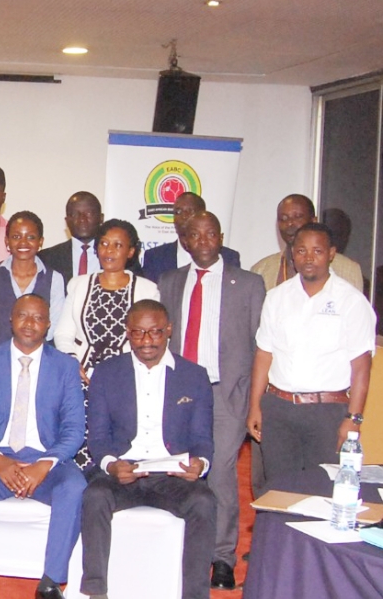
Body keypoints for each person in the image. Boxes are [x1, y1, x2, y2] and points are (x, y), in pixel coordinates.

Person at [79, 300, 216, 599]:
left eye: (154, 332)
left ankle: (195, 595)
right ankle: (96, 591)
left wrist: (200, 464)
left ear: (168, 331)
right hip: (123, 472)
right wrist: (112, 465)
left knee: (204, 503)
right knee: (94, 495)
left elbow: (203, 438)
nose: (146, 341)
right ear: (127, 334)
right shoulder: (107, 373)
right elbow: (98, 438)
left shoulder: (194, 376)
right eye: (138, 333)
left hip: (172, 475)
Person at [157, 211, 264, 590]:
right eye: (193, 235)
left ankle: (221, 558)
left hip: (226, 395)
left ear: (220, 237)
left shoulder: (249, 284)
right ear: (184, 241)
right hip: (177, 394)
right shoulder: (169, 282)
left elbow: (260, 347)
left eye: (209, 233)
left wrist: (252, 402)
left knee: (218, 473)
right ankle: (180, 552)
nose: (202, 240)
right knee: (175, 471)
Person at [0, 295, 85, 599]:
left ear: (48, 325)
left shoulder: (66, 367)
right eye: (23, 316)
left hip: (46, 460)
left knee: (75, 486)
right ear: (11, 319)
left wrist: (46, 464)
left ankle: (51, 583)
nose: (30, 324)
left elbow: (74, 429)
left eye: (38, 318)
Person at [247, 222, 374, 490]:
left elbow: (361, 367)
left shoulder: (351, 301)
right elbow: (264, 354)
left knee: (323, 491)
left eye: (317, 251)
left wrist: (353, 419)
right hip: (279, 409)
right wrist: (255, 405)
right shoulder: (276, 297)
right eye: (301, 250)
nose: (308, 258)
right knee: (278, 490)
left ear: (331, 254)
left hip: (327, 413)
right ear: (292, 253)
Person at [54, 219, 159, 473]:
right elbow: (63, 333)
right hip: (82, 378)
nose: (109, 251)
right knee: (79, 446)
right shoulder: (79, 285)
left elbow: (149, 340)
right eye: (104, 244)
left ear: (131, 251)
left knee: (118, 445)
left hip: (125, 379)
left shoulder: (147, 289)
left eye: (117, 245)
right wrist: (72, 362)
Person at [251, 194, 364, 291]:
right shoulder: (260, 270)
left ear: (313, 221)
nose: (290, 224)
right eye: (283, 219)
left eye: (298, 217)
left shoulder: (347, 269)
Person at [0, 210, 65, 344]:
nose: (23, 243)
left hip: (39, 357)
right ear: (7, 241)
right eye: (16, 237)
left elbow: (53, 326)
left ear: (40, 241)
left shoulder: (54, 278)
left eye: (30, 237)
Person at [141, 192, 241, 283]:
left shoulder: (229, 257)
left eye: (190, 211)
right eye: (178, 212)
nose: (184, 216)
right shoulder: (155, 258)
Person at [39, 191, 103, 281]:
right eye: (75, 214)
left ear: (101, 218)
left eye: (89, 213)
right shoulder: (46, 258)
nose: (82, 219)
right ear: (67, 220)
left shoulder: (119, 258)